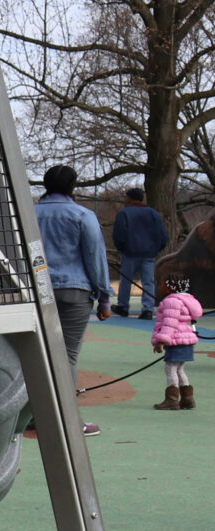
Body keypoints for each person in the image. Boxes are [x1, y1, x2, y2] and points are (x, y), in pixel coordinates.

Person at [36, 164, 109, 435]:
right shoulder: (83, 215)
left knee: (38, 354)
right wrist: (104, 297)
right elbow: (95, 258)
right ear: (72, 186)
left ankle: (36, 415)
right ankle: (69, 422)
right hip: (74, 290)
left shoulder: (29, 212)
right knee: (67, 355)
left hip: (36, 291)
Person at [110, 186, 168, 318]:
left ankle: (123, 306)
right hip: (149, 253)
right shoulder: (153, 213)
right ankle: (147, 308)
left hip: (130, 252)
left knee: (126, 280)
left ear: (129, 199)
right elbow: (163, 235)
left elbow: (119, 235)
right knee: (148, 281)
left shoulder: (124, 213)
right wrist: (155, 248)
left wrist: (122, 248)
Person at [149, 276, 203, 411]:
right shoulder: (188, 300)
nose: (159, 287)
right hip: (186, 340)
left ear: (170, 287)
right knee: (179, 369)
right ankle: (187, 399)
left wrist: (161, 341)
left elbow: (169, 323)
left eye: (161, 284)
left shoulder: (171, 301)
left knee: (170, 368)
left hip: (176, 340)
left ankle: (171, 400)